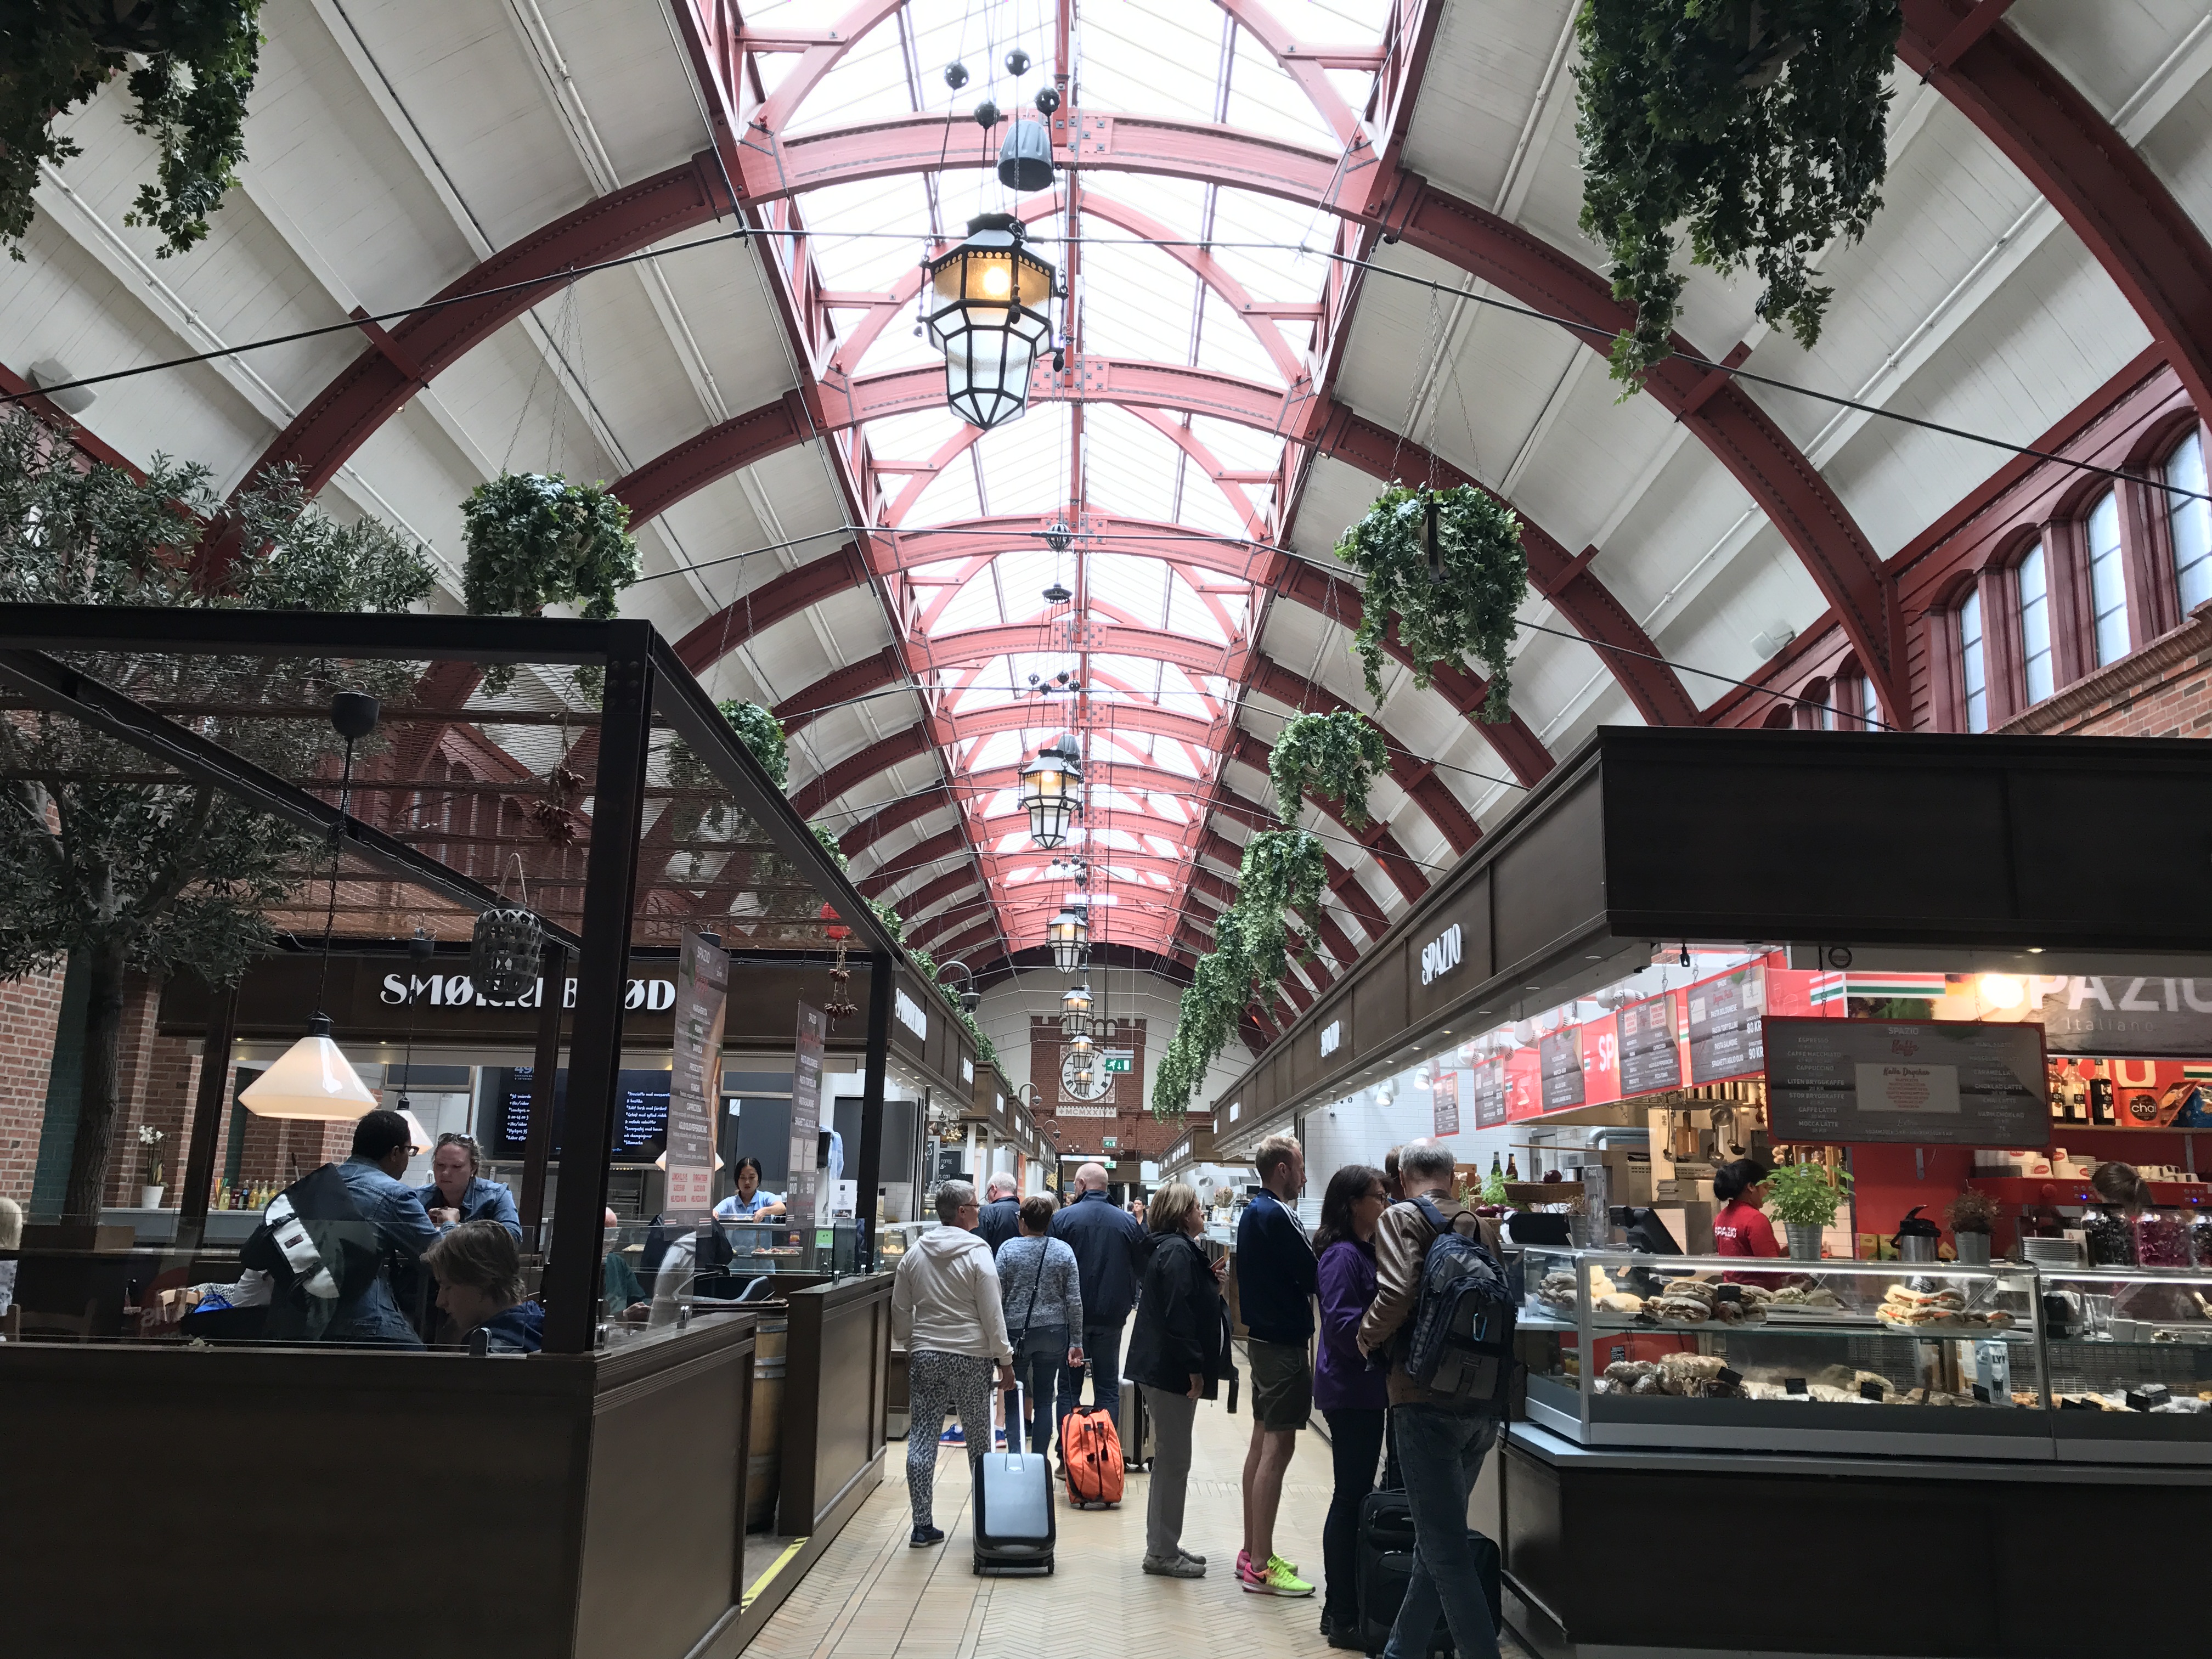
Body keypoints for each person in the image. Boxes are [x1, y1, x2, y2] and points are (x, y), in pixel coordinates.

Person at [1358, 1141, 1508, 1659]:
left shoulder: (1400, 1218)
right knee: (1436, 1541)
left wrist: (1365, 1336)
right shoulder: (1482, 1225)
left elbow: (1398, 1292)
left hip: (1422, 1398)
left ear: (1402, 1179)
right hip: (1484, 1402)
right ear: (1453, 1178)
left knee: (1446, 1553)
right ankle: (1401, 1651)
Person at [891, 1179, 1015, 1548]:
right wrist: (1005, 1359)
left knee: (922, 1437)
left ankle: (922, 1525)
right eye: (976, 1206)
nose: (980, 1211)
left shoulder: (915, 1253)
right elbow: (992, 1313)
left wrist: (911, 1343)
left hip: (927, 1354)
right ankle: (985, 1524)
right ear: (962, 1212)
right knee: (979, 1441)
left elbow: (900, 1308)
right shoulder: (978, 1254)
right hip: (971, 1357)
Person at [1125, 1181, 1232, 1579]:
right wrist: (1193, 1367)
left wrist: (1210, 1286)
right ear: (1184, 1214)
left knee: (1172, 1459)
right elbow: (1178, 1316)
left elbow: (1186, 1303)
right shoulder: (1176, 1252)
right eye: (1198, 1208)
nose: (1203, 1213)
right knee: (1173, 1460)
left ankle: (1164, 1542)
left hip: (1164, 1368)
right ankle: (1161, 1551)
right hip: (1169, 1370)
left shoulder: (1174, 1250)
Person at [1236, 1132, 1317, 1596]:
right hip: (1283, 1345)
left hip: (1263, 1341)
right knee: (1278, 1448)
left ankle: (1252, 1551)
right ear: (1283, 1169)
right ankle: (1262, 1566)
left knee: (1261, 1441)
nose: (1304, 1177)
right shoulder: (1278, 1213)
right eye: (1300, 1167)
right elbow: (1312, 1272)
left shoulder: (1254, 1212)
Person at [1313, 1164, 1390, 1646]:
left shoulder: (1364, 1251)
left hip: (1364, 1389)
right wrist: (1384, 1347)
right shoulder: (1342, 1256)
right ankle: (1342, 1613)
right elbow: (1344, 1326)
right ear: (1352, 1204)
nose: (1385, 1204)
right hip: (1351, 1390)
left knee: (1357, 1495)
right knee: (1349, 1498)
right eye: (1378, 1197)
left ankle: (1343, 1607)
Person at [1048, 1160, 1147, 1430]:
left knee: (1069, 1388)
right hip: (1111, 1317)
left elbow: (1051, 1268)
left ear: (1081, 1184)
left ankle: (1067, 1450)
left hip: (1071, 1318)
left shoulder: (1063, 1219)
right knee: (1107, 1388)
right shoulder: (1128, 1222)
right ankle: (1105, 1451)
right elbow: (1142, 1268)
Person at [994, 1194, 1084, 1455]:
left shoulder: (1008, 1250)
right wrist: (1076, 1341)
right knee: (1045, 1400)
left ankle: (1016, 1458)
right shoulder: (1063, 1251)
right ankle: (1040, 1460)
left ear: (1022, 1222)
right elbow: (1074, 1300)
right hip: (1054, 1333)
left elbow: (996, 1296)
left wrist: (995, 1339)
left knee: (1014, 1395)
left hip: (1015, 1333)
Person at [422, 1219, 544, 1352]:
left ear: (483, 1281)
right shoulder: (537, 1323)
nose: (440, 1302)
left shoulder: (494, 1355)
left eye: (448, 1287)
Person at [415, 1132, 522, 1240]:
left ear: (473, 1168)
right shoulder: (418, 1197)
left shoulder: (496, 1196)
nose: (445, 1173)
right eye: (440, 1165)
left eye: (456, 1166)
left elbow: (513, 1237)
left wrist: (454, 1226)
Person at [1711, 1160, 1782, 1258]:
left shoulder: (1720, 1218)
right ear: (1751, 1187)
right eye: (1765, 1187)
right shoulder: (1756, 1219)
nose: (1767, 1193)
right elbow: (1770, 1265)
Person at [603, 1207, 649, 1319]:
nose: (610, 1239)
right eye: (606, 1232)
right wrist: (622, 1316)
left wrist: (654, 1305)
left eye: (614, 1233)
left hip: (618, 1328)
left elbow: (637, 1298)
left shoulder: (617, 1262)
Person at [713, 1156, 786, 1221]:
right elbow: (715, 1212)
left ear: (758, 1179)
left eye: (752, 1177)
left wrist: (765, 1211)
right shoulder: (730, 1202)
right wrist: (714, 1215)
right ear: (737, 1180)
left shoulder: (765, 1198)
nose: (747, 1182)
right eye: (743, 1178)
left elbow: (782, 1208)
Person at [974, 1172, 1023, 1252]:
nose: (988, 1199)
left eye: (988, 1193)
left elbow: (978, 1247)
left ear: (993, 1188)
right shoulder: (1026, 1211)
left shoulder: (986, 1212)